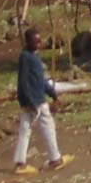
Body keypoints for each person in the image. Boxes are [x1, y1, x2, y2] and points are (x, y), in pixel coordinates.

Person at [13, 29, 67, 174]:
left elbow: (41, 80)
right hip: (35, 101)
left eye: (39, 40)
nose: (38, 43)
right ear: (28, 41)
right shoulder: (26, 57)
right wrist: (30, 101)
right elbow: (23, 81)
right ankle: (55, 158)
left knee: (25, 130)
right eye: (35, 41)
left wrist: (53, 94)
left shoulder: (33, 56)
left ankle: (20, 163)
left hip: (30, 101)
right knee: (48, 126)